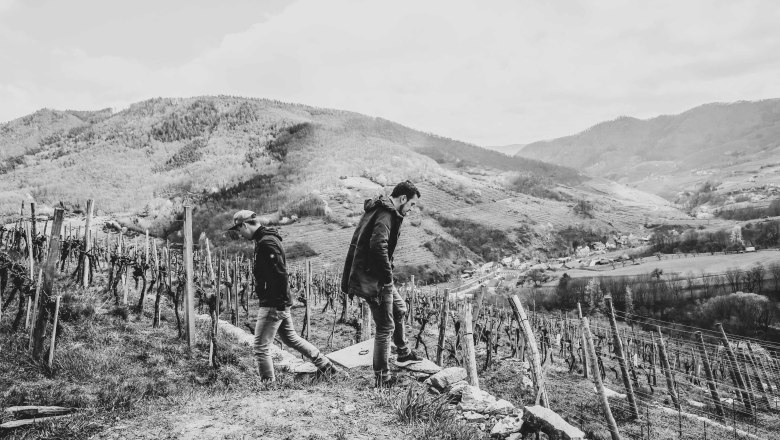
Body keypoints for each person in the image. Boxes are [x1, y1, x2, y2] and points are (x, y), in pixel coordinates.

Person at [229, 210, 339, 382]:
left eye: (239, 230)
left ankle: (267, 387)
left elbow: (280, 274)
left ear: (244, 225)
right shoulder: (263, 239)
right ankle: (327, 367)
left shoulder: (266, 243)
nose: (240, 235)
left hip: (273, 302)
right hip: (278, 300)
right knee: (291, 338)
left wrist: (279, 304)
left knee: (260, 347)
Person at [341, 180, 423, 387]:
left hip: (375, 275)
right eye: (412, 204)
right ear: (403, 199)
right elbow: (378, 247)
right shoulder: (386, 215)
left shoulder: (382, 210)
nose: (412, 209)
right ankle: (382, 377)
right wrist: (387, 278)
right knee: (385, 327)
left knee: (400, 309)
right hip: (375, 280)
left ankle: (403, 352)